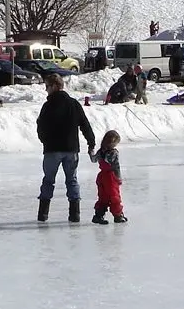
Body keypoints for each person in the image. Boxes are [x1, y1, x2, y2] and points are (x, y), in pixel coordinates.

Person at [36, 73, 96, 223]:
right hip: (71, 149)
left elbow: (40, 126)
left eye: (47, 86)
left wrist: (45, 141)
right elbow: (85, 124)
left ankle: (43, 214)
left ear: (55, 86)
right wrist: (91, 142)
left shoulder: (48, 105)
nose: (46, 90)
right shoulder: (73, 104)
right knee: (72, 180)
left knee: (48, 180)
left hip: (52, 150)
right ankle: (74, 214)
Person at [90, 130, 127, 224]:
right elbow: (115, 165)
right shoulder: (114, 152)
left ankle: (98, 215)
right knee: (114, 196)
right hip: (111, 177)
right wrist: (118, 178)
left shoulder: (100, 151)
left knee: (103, 196)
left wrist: (91, 153)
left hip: (102, 176)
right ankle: (118, 215)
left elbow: (94, 160)